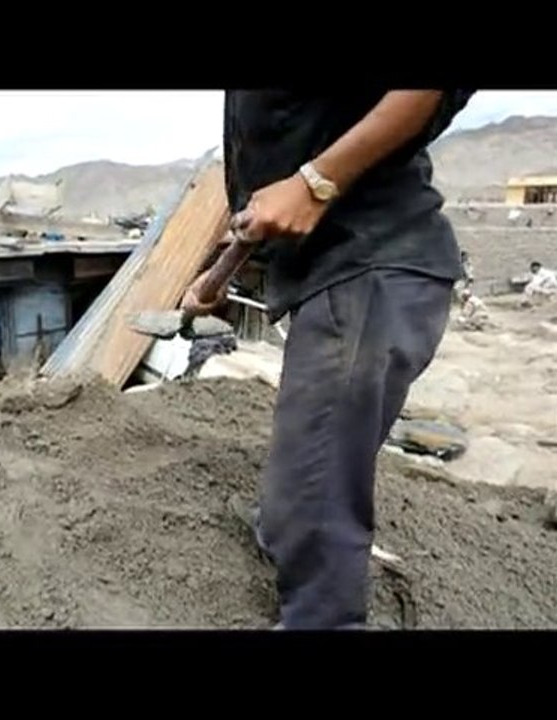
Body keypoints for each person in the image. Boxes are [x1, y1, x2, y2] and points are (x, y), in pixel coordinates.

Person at [183, 90, 474, 629]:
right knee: (303, 472)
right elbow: (278, 173)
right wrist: (215, 272)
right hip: (339, 272)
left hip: (373, 264)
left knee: (316, 488)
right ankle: (285, 530)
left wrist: (316, 183)